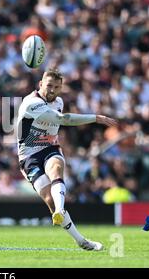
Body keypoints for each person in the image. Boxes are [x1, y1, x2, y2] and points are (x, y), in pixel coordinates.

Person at [16, 68, 118, 251]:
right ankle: (79, 238)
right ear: (40, 84)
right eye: (49, 86)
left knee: (56, 167)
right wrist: (95, 118)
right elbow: (63, 119)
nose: (52, 90)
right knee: (50, 199)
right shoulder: (31, 103)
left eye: (56, 86)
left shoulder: (59, 101)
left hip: (49, 148)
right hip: (28, 156)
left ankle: (62, 212)